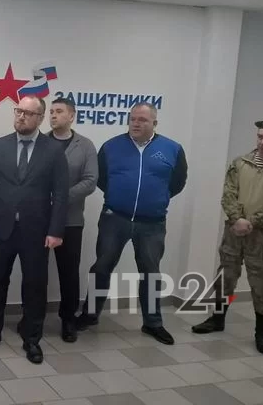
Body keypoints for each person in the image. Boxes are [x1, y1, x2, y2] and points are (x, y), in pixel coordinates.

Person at [77, 102, 187, 345]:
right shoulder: (111, 147)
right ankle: (90, 314)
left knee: (151, 272)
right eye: (133, 119)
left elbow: (178, 182)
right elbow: (102, 180)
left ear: (154, 123)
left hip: (152, 223)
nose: (136, 123)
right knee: (102, 266)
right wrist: (120, 197)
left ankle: (153, 323)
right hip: (115, 218)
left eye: (142, 120)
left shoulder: (172, 149)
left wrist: (155, 199)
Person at [0, 96, 69, 364]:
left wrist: (55, 231)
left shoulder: (53, 150)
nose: (21, 117)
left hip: (37, 231)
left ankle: (32, 339)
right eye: (19, 111)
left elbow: (60, 194)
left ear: (40, 118)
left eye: (28, 113)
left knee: (35, 285)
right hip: (1, 228)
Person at [192, 119, 263, 354]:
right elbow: (228, 193)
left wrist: (252, 221)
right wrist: (237, 218)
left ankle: (261, 332)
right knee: (225, 278)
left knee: (260, 284)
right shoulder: (240, 163)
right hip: (234, 231)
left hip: (262, 236)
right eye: (260, 136)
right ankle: (218, 319)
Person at [47, 97, 98, 343]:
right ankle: (32, 316)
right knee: (34, 272)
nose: (53, 115)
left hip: (71, 220)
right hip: (40, 218)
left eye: (59, 111)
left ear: (71, 116)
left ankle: (68, 319)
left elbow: (90, 181)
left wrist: (60, 198)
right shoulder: (40, 142)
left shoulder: (85, 145)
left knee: (69, 273)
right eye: (51, 111)